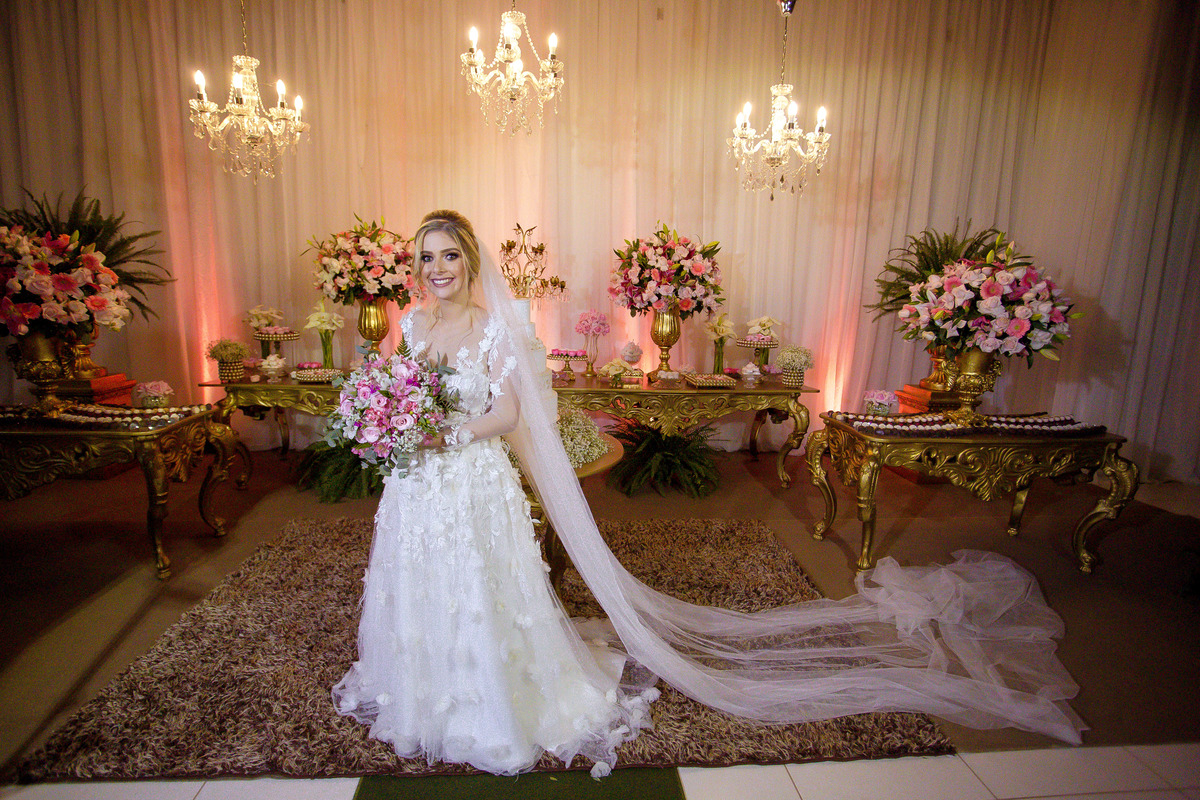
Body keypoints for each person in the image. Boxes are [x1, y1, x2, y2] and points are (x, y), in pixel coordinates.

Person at [335, 210, 1084, 777]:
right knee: (420, 582)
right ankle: (424, 683)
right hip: (416, 484)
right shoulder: (413, 322)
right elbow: (399, 393)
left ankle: (493, 695)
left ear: (470, 261)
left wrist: (442, 432)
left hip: (468, 477)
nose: (436, 269)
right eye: (425, 258)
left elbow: (505, 414)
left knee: (481, 587)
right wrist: (395, 425)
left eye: (449, 256)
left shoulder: (496, 327)